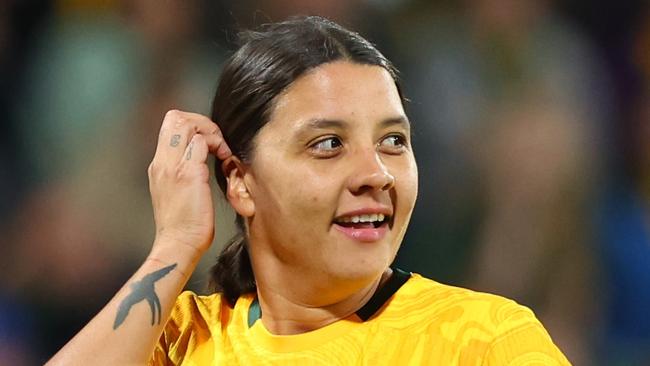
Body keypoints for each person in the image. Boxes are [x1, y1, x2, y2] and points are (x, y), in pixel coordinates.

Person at [47, 16, 570, 365]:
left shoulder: (484, 342)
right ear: (240, 182)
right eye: (327, 144)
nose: (376, 173)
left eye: (392, 140)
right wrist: (176, 246)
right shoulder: (180, 341)